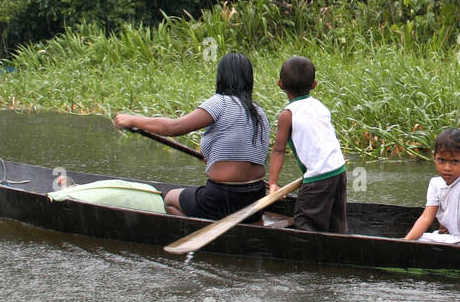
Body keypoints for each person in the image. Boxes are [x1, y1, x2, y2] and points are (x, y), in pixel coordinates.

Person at [114, 53, 269, 219]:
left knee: (170, 198)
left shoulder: (220, 102)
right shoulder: (259, 112)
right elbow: (241, 148)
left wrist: (132, 120)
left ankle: (201, 230)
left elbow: (174, 127)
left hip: (223, 196)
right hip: (256, 199)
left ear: (221, 77)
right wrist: (212, 156)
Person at [269, 56, 348, 233]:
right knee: (336, 223)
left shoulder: (287, 114)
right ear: (314, 84)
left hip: (318, 178)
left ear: (280, 84)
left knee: (304, 220)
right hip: (339, 171)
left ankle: (311, 255)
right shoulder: (320, 106)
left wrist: (273, 184)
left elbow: (278, 150)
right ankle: (339, 248)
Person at [404, 128, 460, 247]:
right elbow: (426, 218)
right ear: (434, 157)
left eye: (455, 162)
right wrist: (405, 242)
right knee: (415, 239)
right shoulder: (435, 183)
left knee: (422, 242)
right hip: (456, 237)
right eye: (441, 160)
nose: (447, 167)